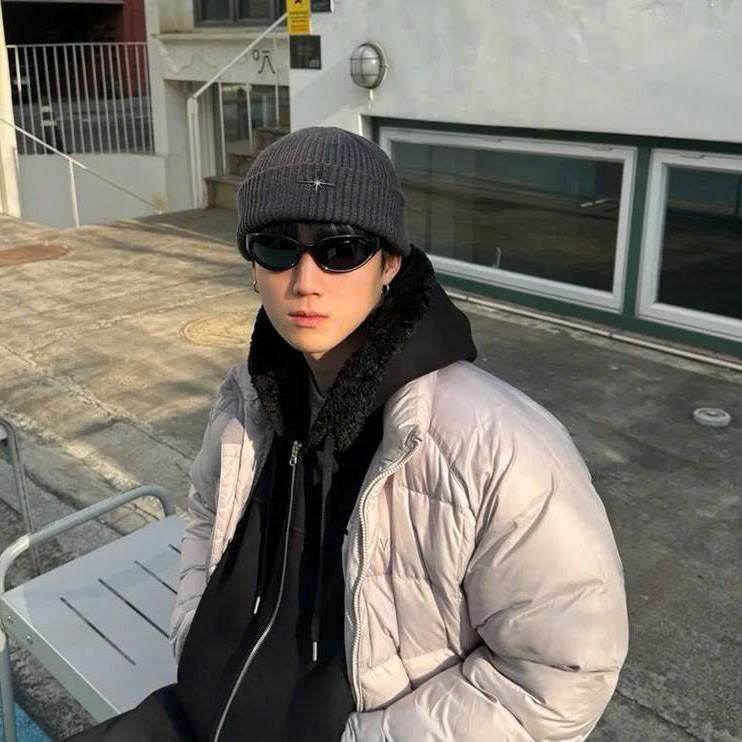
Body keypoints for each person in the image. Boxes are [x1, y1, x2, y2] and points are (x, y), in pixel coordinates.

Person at [67, 126, 628, 741]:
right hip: (202, 711)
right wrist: (194, 632)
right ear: (252, 265)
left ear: (391, 263)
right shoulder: (249, 401)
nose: (305, 280)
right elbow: (205, 514)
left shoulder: (498, 446)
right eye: (277, 246)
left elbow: (560, 675)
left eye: (342, 249)